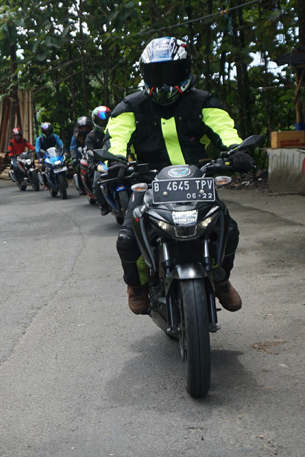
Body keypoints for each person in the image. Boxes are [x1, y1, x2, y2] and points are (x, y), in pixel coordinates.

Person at [106, 36, 254, 315]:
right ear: (145, 75)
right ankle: (136, 287)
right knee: (127, 238)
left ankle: (221, 277)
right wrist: (116, 161)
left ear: (186, 70)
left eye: (170, 73)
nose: (163, 82)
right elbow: (116, 139)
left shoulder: (203, 101)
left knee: (228, 229)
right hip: (148, 182)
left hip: (198, 181)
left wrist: (236, 151)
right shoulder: (130, 106)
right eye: (155, 74)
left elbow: (225, 130)